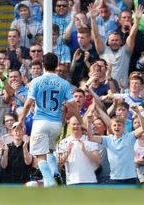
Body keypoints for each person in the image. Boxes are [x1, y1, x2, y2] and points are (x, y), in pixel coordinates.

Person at [18, 53, 81, 187]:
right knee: (50, 151)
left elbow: (29, 103)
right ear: (57, 65)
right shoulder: (63, 83)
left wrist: (20, 120)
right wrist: (80, 120)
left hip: (41, 122)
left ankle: (50, 182)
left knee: (40, 156)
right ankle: (55, 172)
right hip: (56, 123)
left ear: (43, 65)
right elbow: (72, 104)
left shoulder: (36, 81)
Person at [57, 116, 101, 185]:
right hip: (72, 182)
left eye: (78, 124)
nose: (76, 126)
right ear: (69, 125)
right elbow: (59, 162)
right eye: (73, 124)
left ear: (81, 125)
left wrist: (85, 151)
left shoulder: (90, 140)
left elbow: (98, 161)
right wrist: (68, 152)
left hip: (90, 181)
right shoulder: (64, 142)